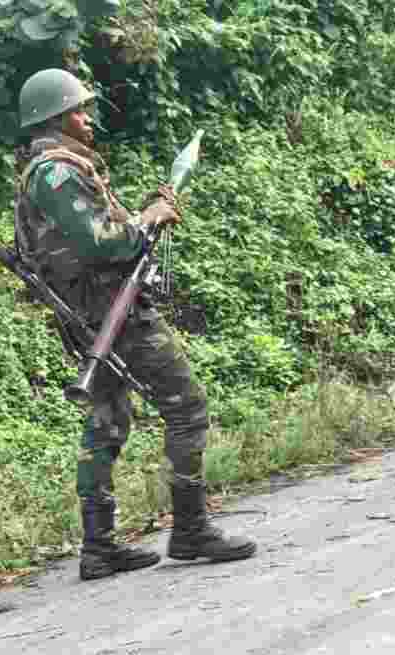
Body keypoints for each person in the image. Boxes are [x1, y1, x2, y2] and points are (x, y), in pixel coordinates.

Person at [13, 68, 257, 581]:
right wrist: (149, 217)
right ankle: (189, 530)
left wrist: (146, 215)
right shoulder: (55, 173)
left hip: (95, 314)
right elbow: (102, 243)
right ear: (56, 118)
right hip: (113, 313)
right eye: (78, 110)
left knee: (107, 419)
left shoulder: (57, 169)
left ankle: (100, 548)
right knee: (186, 406)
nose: (87, 117)